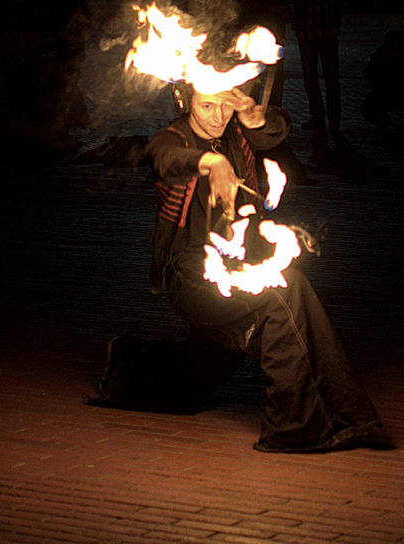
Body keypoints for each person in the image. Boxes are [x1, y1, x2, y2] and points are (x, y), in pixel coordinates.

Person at [90, 82, 384, 453]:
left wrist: (254, 117)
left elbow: (279, 127)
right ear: (185, 101)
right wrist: (210, 162)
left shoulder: (236, 131)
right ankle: (294, 429)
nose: (217, 117)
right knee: (282, 295)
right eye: (206, 106)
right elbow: (165, 159)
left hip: (239, 267)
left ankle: (126, 368)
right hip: (193, 279)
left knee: (208, 362)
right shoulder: (171, 140)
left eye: (223, 106)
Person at [286, 0, 345, 139]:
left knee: (331, 78)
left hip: (327, 32)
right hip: (308, 34)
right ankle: (318, 117)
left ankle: (334, 120)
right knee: (311, 79)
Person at [360, 28, 404, 140]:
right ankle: (383, 122)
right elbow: (368, 72)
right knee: (367, 107)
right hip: (383, 92)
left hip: (403, 93)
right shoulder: (381, 53)